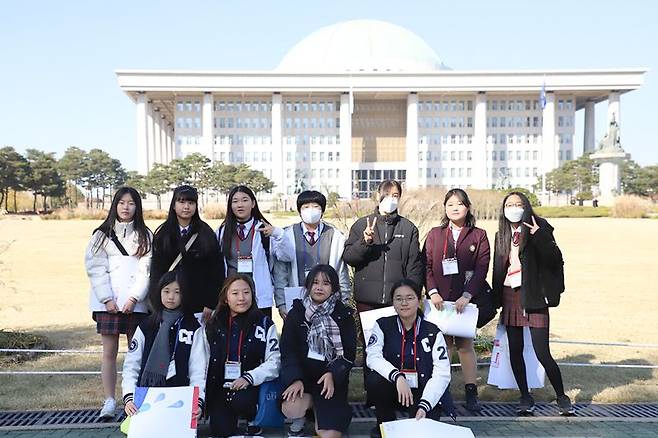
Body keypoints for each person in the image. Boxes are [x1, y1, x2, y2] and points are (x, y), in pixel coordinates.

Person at [491, 191, 574, 416]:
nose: (514, 208)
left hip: (535, 295)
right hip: (510, 295)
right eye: (509, 204)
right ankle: (525, 396)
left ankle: (562, 397)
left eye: (518, 204)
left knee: (542, 352)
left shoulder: (540, 226)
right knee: (515, 351)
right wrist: (495, 298)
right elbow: (498, 269)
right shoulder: (502, 233)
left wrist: (539, 236)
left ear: (526, 206)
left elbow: (554, 259)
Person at [85, 186, 152, 418]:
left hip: (137, 304)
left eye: (131, 203)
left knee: (138, 353)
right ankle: (110, 401)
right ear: (115, 205)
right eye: (122, 202)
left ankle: (136, 399)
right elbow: (95, 268)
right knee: (109, 352)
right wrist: (107, 299)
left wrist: (135, 297)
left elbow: (147, 270)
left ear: (137, 207)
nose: (126, 207)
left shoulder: (146, 235)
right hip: (108, 304)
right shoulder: (101, 234)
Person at [423, 188, 490, 411]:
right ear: (445, 208)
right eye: (450, 204)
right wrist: (432, 292)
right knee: (442, 346)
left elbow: (482, 268)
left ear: (467, 207)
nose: (454, 207)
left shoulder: (478, 235)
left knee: (464, 346)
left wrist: (467, 295)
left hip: (465, 301)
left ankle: (471, 393)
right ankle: (441, 392)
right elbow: (427, 266)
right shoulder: (435, 234)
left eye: (459, 204)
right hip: (439, 301)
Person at [366, 279, 452, 438]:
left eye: (410, 298)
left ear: (419, 301)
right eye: (398, 298)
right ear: (393, 302)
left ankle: (421, 412)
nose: (404, 303)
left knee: (420, 433)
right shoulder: (382, 325)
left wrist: (425, 404)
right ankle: (385, 425)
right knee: (375, 379)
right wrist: (397, 376)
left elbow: (442, 373)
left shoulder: (432, 331)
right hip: (395, 387)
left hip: (424, 390)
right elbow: (373, 357)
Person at [280, 265, 356, 438]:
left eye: (326, 283)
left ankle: (324, 412)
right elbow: (288, 350)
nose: (319, 287)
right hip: (304, 378)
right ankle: (310, 409)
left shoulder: (343, 315)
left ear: (334, 288)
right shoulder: (296, 313)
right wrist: (295, 379)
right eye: (315, 282)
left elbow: (349, 354)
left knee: (330, 435)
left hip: (330, 383)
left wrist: (333, 373)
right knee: (290, 406)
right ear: (307, 286)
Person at [122, 271, 207, 419]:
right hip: (147, 398)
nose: (171, 297)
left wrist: (197, 402)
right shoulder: (146, 326)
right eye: (166, 291)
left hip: (181, 397)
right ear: (159, 292)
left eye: (177, 292)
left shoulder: (193, 328)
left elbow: (198, 369)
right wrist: (129, 397)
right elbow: (131, 365)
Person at [203, 274, 281, 437]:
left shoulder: (265, 324)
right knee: (220, 431)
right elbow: (202, 359)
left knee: (241, 400)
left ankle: (252, 420)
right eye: (235, 293)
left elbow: (274, 362)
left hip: (251, 386)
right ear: (225, 298)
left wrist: (249, 377)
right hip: (220, 387)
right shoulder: (212, 325)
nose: (241, 298)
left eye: (246, 292)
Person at [343, 180, 424, 312]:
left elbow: (414, 266)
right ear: (377, 196)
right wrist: (365, 242)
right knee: (370, 333)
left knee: (395, 333)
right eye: (386, 194)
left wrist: (410, 295)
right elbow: (349, 258)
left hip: (397, 300)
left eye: (395, 195)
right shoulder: (361, 224)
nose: (391, 199)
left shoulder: (408, 228)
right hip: (366, 300)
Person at [149, 185, 224, 322]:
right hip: (169, 304)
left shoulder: (206, 233)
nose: (186, 207)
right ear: (173, 205)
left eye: (191, 203)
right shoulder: (163, 234)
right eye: (181, 202)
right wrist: (157, 303)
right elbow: (156, 272)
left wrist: (211, 302)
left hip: (199, 304)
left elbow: (216, 271)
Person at [273, 190, 351, 320]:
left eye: (315, 207)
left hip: (329, 303)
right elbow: (280, 273)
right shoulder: (287, 235)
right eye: (306, 207)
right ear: (299, 211)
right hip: (295, 301)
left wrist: (345, 301)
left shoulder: (335, 236)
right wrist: (281, 304)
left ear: (322, 211)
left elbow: (341, 272)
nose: (311, 210)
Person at [217, 185, 292, 317]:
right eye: (235, 201)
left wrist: (277, 234)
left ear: (253, 203)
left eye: (245, 200)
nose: (240, 205)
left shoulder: (264, 230)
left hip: (259, 296)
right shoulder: (222, 232)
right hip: (232, 298)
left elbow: (287, 256)